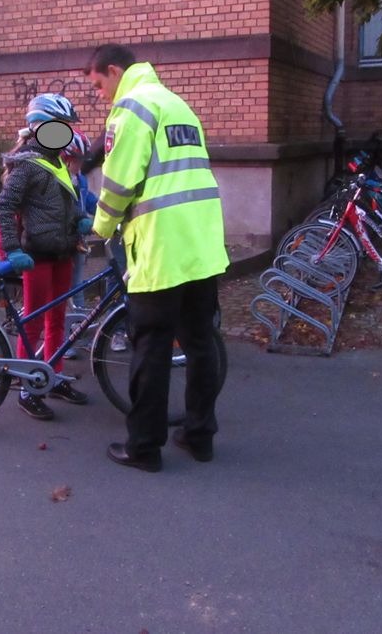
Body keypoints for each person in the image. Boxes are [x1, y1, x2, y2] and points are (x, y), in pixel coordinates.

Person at [84, 44, 229, 472]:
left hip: (161, 249)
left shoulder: (132, 107)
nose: (99, 95)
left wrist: (100, 229)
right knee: (201, 344)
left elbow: (120, 180)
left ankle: (144, 448)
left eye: (97, 85)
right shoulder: (177, 104)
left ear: (114, 71)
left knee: (151, 347)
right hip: (201, 247)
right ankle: (200, 437)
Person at [0, 93, 90, 420]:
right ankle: (26, 387)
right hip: (36, 255)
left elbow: (68, 203)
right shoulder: (27, 166)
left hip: (63, 251)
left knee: (57, 321)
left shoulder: (56, 162)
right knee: (33, 321)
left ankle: (53, 375)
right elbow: (4, 208)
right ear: (39, 127)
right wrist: (14, 249)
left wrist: (80, 219)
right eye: (59, 125)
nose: (65, 131)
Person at [61, 131, 97, 360]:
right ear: (65, 159)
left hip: (78, 244)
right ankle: (65, 341)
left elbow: (90, 201)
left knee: (78, 289)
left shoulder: (80, 179)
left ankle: (79, 334)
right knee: (65, 293)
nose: (81, 165)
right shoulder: (59, 182)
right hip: (63, 245)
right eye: (78, 160)